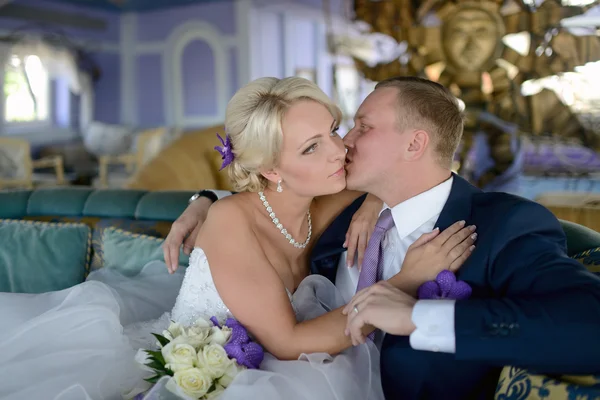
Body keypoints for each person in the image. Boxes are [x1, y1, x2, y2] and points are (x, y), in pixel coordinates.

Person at [0, 76, 476, 400]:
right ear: (271, 168)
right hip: (214, 361)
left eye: (333, 130)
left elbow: (405, 170)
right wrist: (405, 282)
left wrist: (374, 200)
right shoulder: (230, 222)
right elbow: (289, 342)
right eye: (312, 147)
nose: (340, 148)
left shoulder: (325, 186)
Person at [164, 76, 600, 400]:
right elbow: (262, 209)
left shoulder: (504, 227)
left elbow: (590, 326)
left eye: (357, 128)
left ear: (414, 145)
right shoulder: (336, 202)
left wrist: (418, 319)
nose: (343, 146)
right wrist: (207, 201)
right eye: (324, 140)